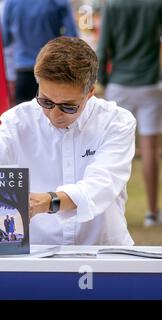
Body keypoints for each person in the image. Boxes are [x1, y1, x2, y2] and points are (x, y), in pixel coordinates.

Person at [0, 37, 136, 246]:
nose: (54, 114)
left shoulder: (116, 121)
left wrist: (48, 202)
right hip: (40, 254)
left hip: (103, 251)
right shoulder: (20, 119)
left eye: (68, 106)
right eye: (46, 101)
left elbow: (101, 183)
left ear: (90, 92)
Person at [97, 0, 162, 228]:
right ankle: (152, 213)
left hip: (119, 84)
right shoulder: (155, 5)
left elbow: (103, 46)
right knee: (151, 150)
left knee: (112, 151)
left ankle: (111, 213)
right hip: (150, 84)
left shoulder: (113, 6)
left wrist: (104, 81)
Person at [1, 0, 78, 105]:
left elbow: (5, 39)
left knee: (23, 116)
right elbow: (72, 37)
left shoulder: (11, 2)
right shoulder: (59, 2)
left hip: (23, 69)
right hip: (51, 68)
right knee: (52, 116)